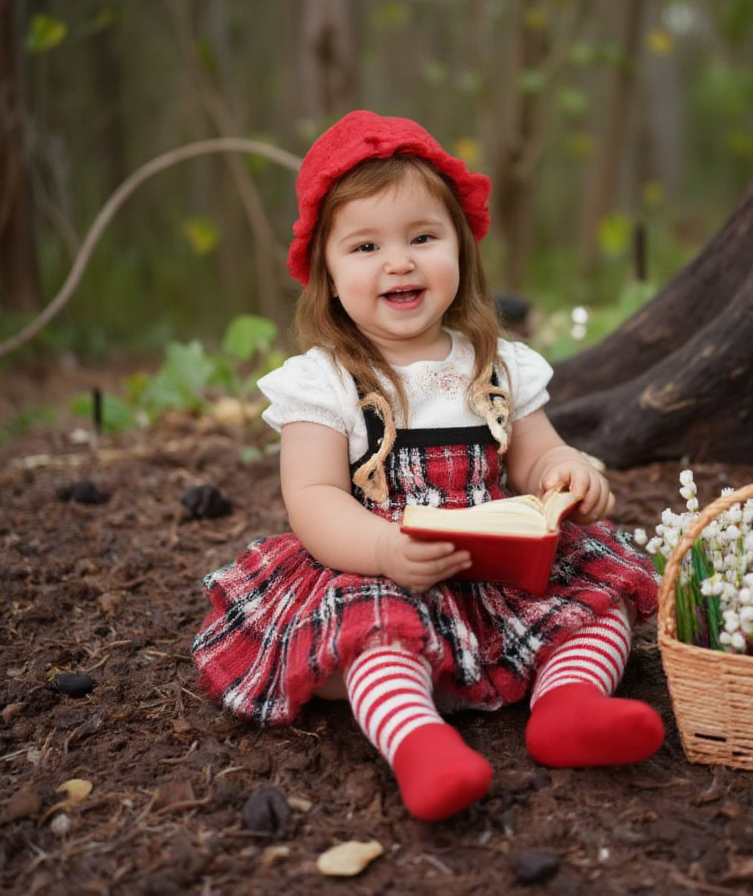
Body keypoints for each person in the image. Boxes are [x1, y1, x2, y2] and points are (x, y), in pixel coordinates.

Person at [192, 110, 663, 822]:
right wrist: (384, 548)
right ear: (327, 270)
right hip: (383, 564)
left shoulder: (494, 362)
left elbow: (534, 452)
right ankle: (420, 745)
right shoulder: (324, 380)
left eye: (422, 237)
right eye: (366, 245)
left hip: (499, 568)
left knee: (599, 598)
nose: (399, 261)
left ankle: (569, 705)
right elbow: (314, 496)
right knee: (372, 637)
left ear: (460, 252)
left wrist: (565, 473)